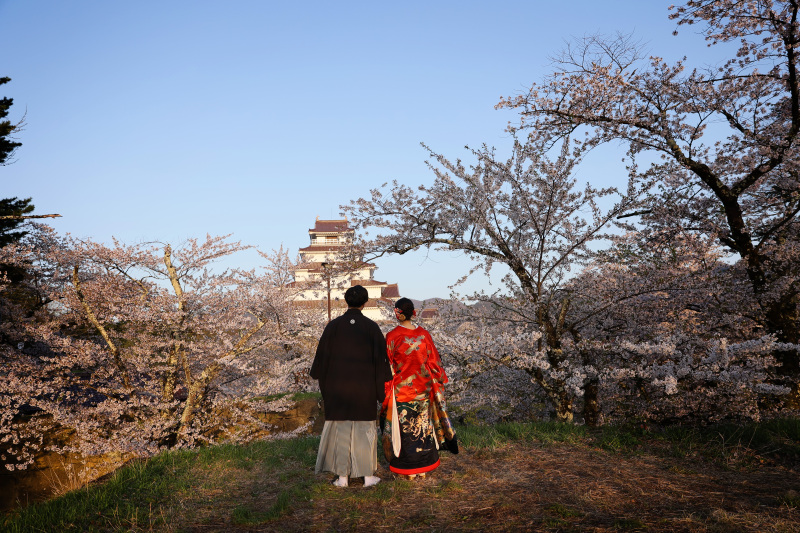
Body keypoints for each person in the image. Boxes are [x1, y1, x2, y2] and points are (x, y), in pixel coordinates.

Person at [310, 285, 392, 488]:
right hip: (364, 390)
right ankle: (367, 477)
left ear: (346, 301)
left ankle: (343, 478)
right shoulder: (371, 328)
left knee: (341, 432)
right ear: (365, 303)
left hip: (338, 390)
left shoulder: (333, 326)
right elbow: (382, 362)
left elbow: (320, 361)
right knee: (364, 432)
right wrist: (380, 390)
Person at [381, 298, 457, 480]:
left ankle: (409, 470)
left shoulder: (392, 336)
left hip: (401, 391)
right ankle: (423, 467)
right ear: (413, 312)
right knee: (423, 429)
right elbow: (434, 363)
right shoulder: (424, 335)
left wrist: (385, 390)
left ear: (397, 313)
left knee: (406, 431)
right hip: (423, 390)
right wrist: (439, 381)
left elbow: (387, 367)